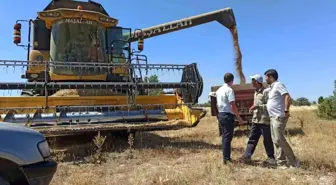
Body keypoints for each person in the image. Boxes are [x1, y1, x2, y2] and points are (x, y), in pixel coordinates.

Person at [264, 69, 300, 169]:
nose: (265, 79)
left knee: (280, 139)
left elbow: (287, 96)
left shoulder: (279, 85)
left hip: (278, 116)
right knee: (275, 140)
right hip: (272, 117)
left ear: (271, 77)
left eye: (266, 77)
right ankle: (281, 163)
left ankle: (294, 161)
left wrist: (286, 111)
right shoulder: (271, 87)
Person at [239, 74, 275, 165]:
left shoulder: (266, 92)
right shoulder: (255, 92)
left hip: (264, 120)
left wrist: (258, 107)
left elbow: (270, 106)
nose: (251, 82)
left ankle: (271, 158)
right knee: (252, 139)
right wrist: (253, 110)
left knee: (267, 140)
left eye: (253, 81)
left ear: (257, 82)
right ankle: (246, 156)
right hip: (256, 120)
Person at [213, 73, 244, 164]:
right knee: (227, 138)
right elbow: (232, 105)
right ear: (232, 80)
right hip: (227, 115)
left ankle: (225, 157)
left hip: (221, 114)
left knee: (224, 137)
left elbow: (216, 103)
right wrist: (238, 117)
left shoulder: (219, 90)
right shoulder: (229, 90)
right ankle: (226, 159)